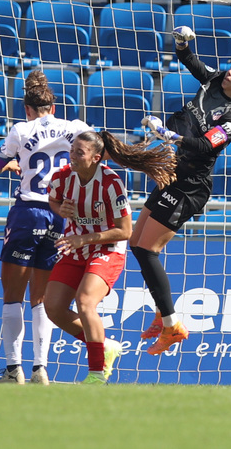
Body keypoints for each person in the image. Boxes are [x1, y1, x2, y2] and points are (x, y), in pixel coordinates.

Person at [134, 25, 231, 356]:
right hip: (171, 174)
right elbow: (187, 58)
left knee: (147, 250)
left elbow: (202, 147)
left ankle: (172, 327)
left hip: (189, 186)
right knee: (136, 244)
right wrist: (182, 42)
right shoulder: (213, 80)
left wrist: (168, 135)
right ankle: (162, 314)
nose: (230, 70)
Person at [0, 70, 93, 385]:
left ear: (27, 108)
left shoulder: (21, 129)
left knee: (12, 295)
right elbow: (100, 153)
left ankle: (12, 368)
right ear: (55, 107)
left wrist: (9, 163)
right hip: (61, 215)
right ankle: (40, 369)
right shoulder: (74, 128)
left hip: (28, 212)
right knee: (41, 297)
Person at [43, 130, 173, 384]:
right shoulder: (62, 176)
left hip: (107, 248)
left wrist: (86, 238)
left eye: (79, 152)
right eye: (72, 151)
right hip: (76, 246)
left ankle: (96, 374)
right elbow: (53, 201)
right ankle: (106, 346)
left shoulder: (111, 183)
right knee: (53, 308)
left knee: (85, 301)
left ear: (96, 157)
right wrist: (62, 209)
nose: (72, 157)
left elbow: (125, 231)